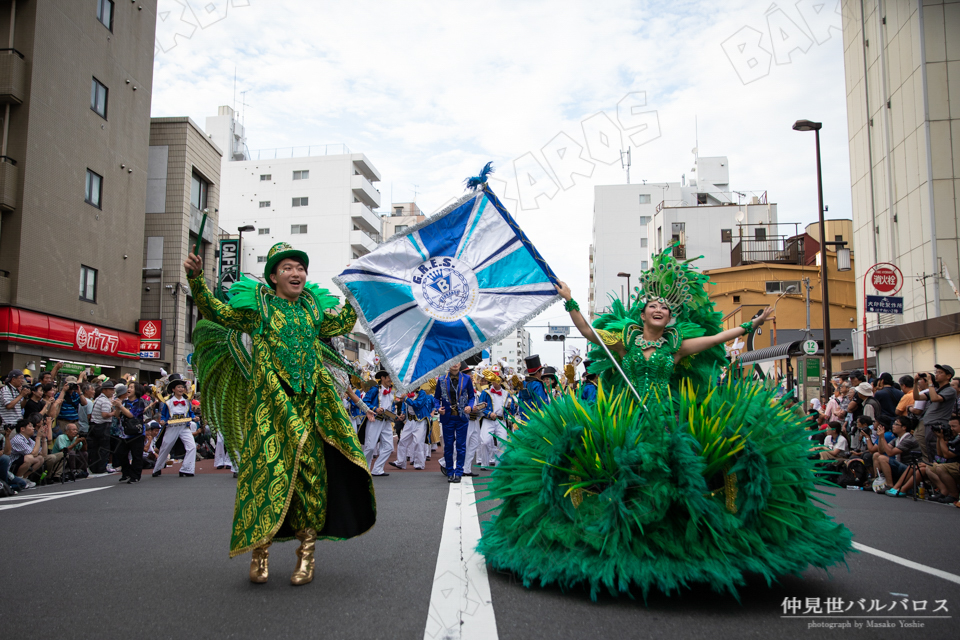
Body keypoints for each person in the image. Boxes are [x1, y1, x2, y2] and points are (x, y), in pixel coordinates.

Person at [477, 247, 852, 599]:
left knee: (677, 473)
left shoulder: (675, 346)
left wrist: (750, 325)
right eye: (652, 306)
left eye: (664, 308)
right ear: (642, 315)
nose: (659, 310)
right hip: (627, 415)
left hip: (665, 415)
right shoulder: (624, 340)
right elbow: (589, 333)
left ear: (669, 318)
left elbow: (715, 338)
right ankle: (616, 541)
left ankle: (691, 547)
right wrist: (570, 299)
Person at [185, 243, 376, 585]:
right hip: (270, 412)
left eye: (300, 268)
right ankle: (260, 552)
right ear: (273, 277)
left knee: (312, 479)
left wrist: (354, 285)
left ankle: (307, 555)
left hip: (311, 412)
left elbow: (346, 319)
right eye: (287, 268)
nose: (296, 273)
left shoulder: (313, 312)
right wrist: (197, 279)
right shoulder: (258, 311)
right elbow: (216, 311)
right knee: (266, 476)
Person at [435, 362, 476, 483]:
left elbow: (472, 397)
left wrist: (470, 406)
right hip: (447, 417)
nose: (455, 364)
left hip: (462, 417)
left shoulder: (467, 378)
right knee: (448, 446)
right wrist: (438, 408)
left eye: (457, 361)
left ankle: (458, 472)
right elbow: (436, 397)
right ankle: (449, 471)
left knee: (461, 446)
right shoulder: (442, 379)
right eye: (452, 361)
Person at [151, 375, 198, 478]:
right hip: (172, 427)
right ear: (173, 389)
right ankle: (157, 468)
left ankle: (187, 469)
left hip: (184, 427)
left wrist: (194, 418)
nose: (181, 389)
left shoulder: (187, 401)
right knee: (165, 447)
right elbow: (163, 415)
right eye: (179, 387)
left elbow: (190, 413)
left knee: (192, 446)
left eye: (182, 387)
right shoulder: (168, 402)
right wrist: (163, 421)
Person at [915, 364, 957, 466]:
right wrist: (915, 382)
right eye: (936, 372)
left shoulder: (950, 390)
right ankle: (932, 475)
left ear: (948, 376)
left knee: (935, 454)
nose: (937, 375)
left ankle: (936, 476)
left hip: (938, 424)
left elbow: (935, 399)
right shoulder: (937, 389)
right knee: (930, 452)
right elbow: (917, 397)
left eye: (940, 372)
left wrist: (930, 382)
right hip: (929, 424)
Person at [362, 369, 399, 477]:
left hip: (386, 421)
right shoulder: (374, 390)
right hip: (375, 421)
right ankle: (364, 469)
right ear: (382, 377)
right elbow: (364, 402)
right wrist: (375, 408)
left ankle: (377, 469)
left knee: (389, 447)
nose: (390, 380)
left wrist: (396, 416)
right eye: (389, 377)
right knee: (370, 447)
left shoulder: (392, 391)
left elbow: (391, 407)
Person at [390, 382, 434, 470]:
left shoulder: (422, 393)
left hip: (420, 420)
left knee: (418, 442)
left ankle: (419, 464)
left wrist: (406, 398)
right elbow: (404, 404)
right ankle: (400, 462)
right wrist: (403, 413)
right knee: (402, 441)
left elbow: (417, 405)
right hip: (409, 421)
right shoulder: (407, 393)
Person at [874, 415, 920, 494]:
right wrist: (881, 437)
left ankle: (890, 485)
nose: (893, 426)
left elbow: (890, 452)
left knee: (882, 458)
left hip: (909, 467)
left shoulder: (908, 439)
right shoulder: (896, 439)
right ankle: (877, 481)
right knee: (876, 455)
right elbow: (881, 450)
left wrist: (882, 437)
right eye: (893, 424)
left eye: (896, 424)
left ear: (904, 427)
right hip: (901, 465)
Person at [478, 370, 513, 467]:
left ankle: (499, 465)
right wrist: (489, 413)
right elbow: (480, 407)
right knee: (484, 442)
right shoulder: (486, 392)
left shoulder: (507, 394)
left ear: (501, 381)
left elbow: (510, 409)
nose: (495, 382)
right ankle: (484, 464)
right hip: (488, 420)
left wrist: (511, 406)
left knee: (502, 442)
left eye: (497, 379)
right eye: (493, 379)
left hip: (501, 421)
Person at [114, 383, 146, 484]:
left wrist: (120, 406)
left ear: (137, 390)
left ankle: (135, 475)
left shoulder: (140, 402)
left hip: (136, 433)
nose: (129, 389)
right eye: (129, 387)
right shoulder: (124, 402)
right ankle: (126, 472)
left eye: (132, 388)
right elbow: (116, 415)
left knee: (136, 455)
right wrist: (118, 407)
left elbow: (132, 415)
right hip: (123, 433)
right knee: (121, 453)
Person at [926, 413, 960, 504]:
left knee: (940, 468)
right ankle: (944, 492)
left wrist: (942, 439)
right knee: (929, 468)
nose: (951, 428)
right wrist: (939, 438)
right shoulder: (952, 436)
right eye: (950, 426)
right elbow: (940, 453)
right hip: (951, 465)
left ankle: (954, 495)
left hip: (957, 464)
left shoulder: (959, 439)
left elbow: (947, 455)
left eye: (954, 426)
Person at [517, 355, 549, 421]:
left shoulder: (523, 383)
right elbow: (541, 403)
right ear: (537, 372)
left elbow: (520, 402)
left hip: (525, 419)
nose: (541, 374)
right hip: (537, 421)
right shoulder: (537, 384)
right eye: (541, 372)